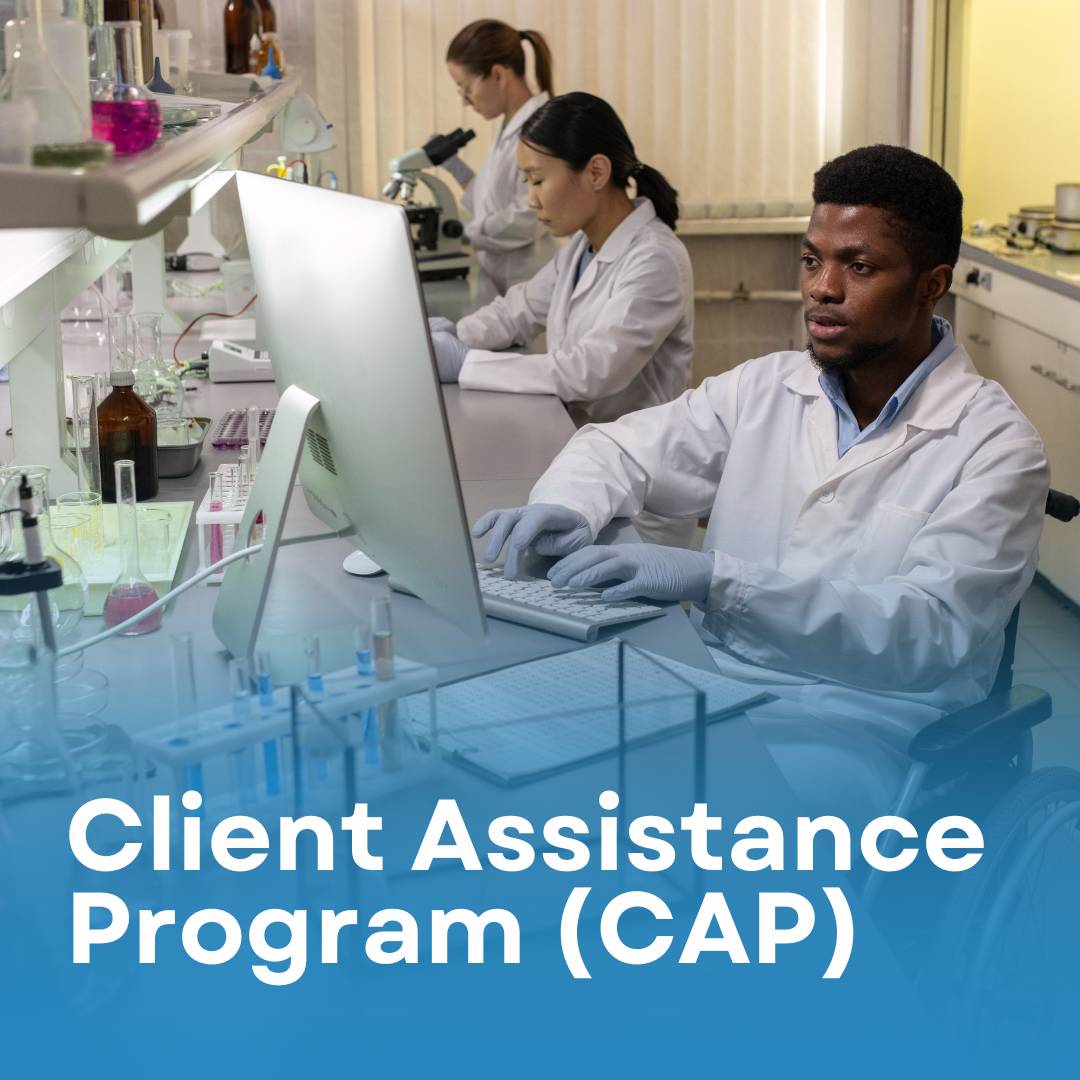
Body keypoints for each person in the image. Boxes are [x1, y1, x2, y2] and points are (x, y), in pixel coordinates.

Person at [473, 144, 1050, 819]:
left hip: (864, 726)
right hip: (712, 681)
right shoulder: (767, 385)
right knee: (517, 747)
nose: (822, 288)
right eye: (812, 260)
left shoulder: (998, 447)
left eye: (859, 266)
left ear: (933, 284)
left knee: (671, 813)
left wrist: (718, 581)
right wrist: (571, 506)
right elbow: (616, 446)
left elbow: (926, 631)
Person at [431, 92, 697, 547]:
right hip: (587, 461)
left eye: (537, 180)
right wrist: (451, 334)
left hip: (642, 493)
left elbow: (591, 371)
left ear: (596, 172)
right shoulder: (582, 247)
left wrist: (465, 364)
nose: (530, 199)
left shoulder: (655, 259)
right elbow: (518, 310)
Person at [442, 19, 559, 295]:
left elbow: (532, 215)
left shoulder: (541, 130)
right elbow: (491, 201)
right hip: (503, 286)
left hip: (530, 285)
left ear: (498, 75)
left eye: (467, 89)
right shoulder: (509, 127)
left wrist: (469, 231)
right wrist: (456, 168)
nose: (465, 101)